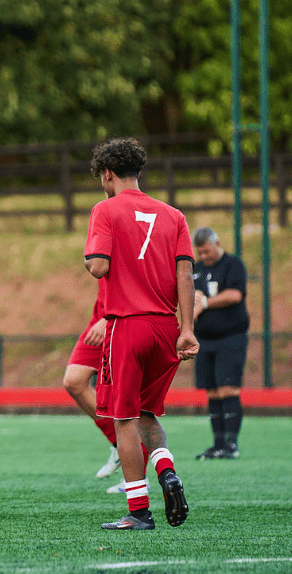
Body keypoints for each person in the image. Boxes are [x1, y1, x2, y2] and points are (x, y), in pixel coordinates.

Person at [83, 137, 198, 531]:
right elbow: (186, 274)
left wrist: (90, 258)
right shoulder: (174, 215)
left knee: (125, 419)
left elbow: (99, 266)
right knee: (148, 413)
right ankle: (167, 472)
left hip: (127, 325)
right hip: (166, 327)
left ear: (107, 174)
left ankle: (138, 511)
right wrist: (187, 330)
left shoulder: (105, 209)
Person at [62, 284, 152, 493]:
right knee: (74, 381)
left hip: (125, 319)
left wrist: (112, 317)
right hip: (103, 314)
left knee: (127, 398)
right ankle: (121, 446)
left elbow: (140, 279)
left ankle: (138, 480)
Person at [191, 227, 251, 457]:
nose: (204, 256)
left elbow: (235, 295)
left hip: (230, 338)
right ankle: (217, 445)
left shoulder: (233, 264)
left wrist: (205, 303)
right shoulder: (196, 270)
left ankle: (231, 445)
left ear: (217, 243)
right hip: (204, 339)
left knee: (228, 389)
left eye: (207, 251)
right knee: (212, 392)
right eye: (200, 252)